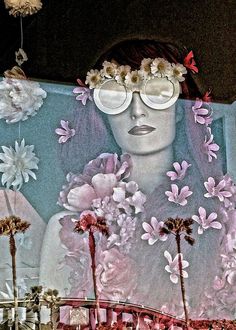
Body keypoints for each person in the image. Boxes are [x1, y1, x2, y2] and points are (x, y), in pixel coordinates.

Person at [40, 39, 236, 320]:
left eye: (156, 92)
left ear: (180, 109)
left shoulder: (225, 221)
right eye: (116, 97)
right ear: (103, 115)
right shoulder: (68, 232)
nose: (138, 111)